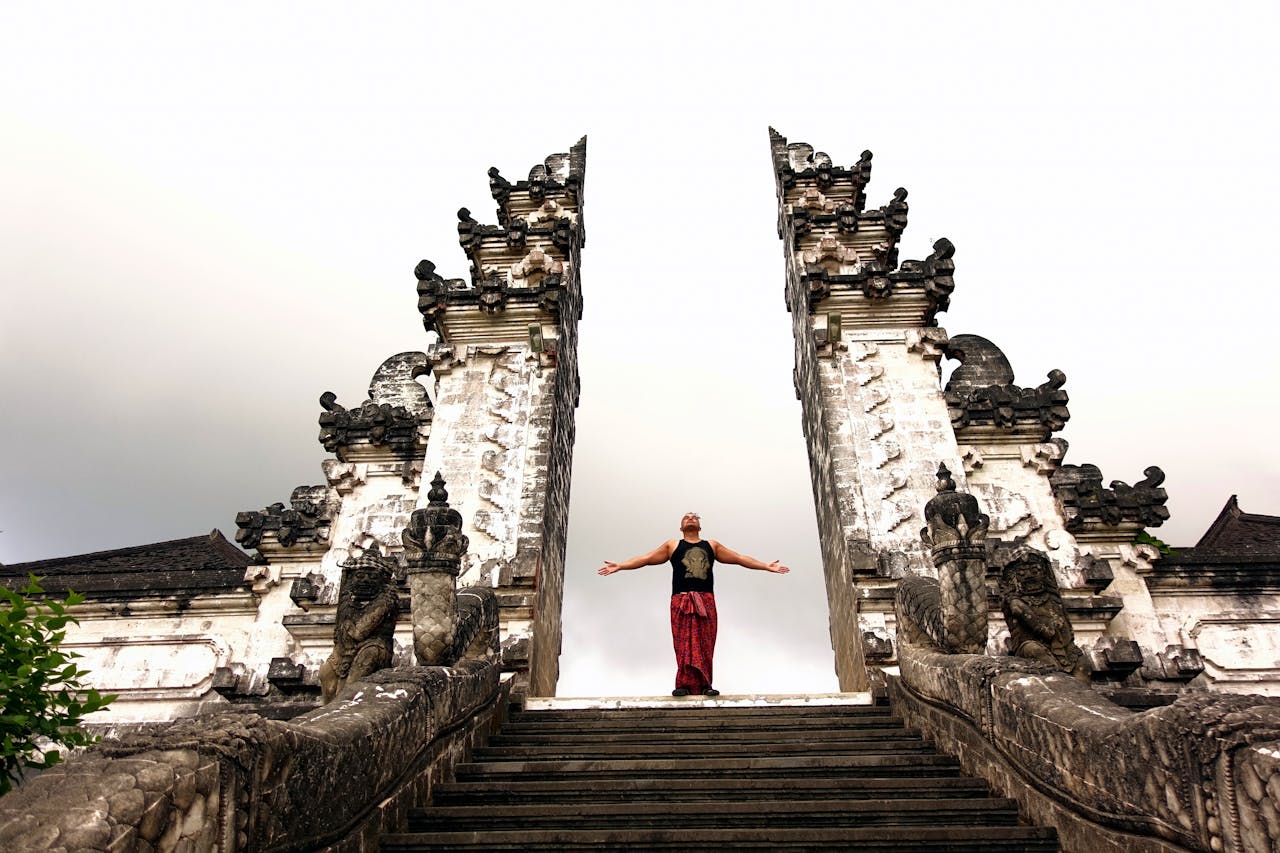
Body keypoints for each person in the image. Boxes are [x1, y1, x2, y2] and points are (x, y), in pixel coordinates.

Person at [598, 512, 790, 697]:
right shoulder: (672, 545)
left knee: (705, 642)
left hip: (705, 601)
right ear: (681, 527)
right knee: (682, 643)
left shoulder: (711, 545)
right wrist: (621, 565)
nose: (690, 518)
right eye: (686, 517)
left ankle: (706, 684)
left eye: (694, 517)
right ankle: (683, 685)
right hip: (680, 600)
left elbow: (739, 558)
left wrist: (765, 566)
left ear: (700, 526)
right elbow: (646, 559)